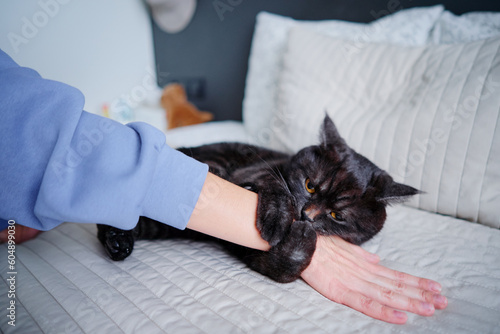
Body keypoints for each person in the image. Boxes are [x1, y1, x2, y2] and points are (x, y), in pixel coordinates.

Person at [0, 49, 447, 325]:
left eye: (332, 215)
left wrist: (287, 257)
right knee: (205, 186)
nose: (310, 213)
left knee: (202, 228)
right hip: (218, 161)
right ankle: (124, 221)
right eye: (310, 190)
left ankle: (124, 218)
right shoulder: (284, 171)